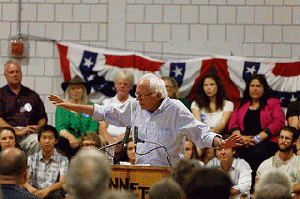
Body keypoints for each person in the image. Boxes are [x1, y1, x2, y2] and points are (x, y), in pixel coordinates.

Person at [49, 73, 242, 167]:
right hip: (140, 172)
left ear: (158, 95)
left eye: (142, 95)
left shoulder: (175, 109)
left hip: (168, 175)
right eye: (137, 94)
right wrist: (69, 105)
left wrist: (221, 142)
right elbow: (103, 111)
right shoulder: (134, 106)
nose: (137, 99)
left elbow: (199, 131)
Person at [228, 74, 285, 191]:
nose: (255, 89)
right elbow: (233, 124)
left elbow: (278, 123)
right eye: (252, 86)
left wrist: (256, 139)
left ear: (264, 88)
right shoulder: (242, 105)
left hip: (265, 141)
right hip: (243, 141)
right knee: (234, 152)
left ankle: (255, 190)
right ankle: (238, 189)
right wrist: (241, 138)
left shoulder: (273, 103)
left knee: (256, 153)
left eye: (258, 86)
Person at [0, 59, 47, 156]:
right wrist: (15, 131)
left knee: (37, 141)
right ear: (5, 75)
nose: (15, 74)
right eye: (11, 72)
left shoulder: (32, 95)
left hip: (29, 134)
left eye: (17, 72)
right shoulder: (1, 94)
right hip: (6, 133)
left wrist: (38, 128)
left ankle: (29, 168)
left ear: (21, 74)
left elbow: (42, 117)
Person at [55, 75, 99, 156]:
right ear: (69, 91)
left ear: (83, 91)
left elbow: (93, 128)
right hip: (68, 141)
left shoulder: (91, 106)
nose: (76, 91)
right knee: (61, 141)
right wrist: (71, 138)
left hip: (87, 140)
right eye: (73, 88)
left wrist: (80, 141)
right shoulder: (61, 106)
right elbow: (60, 128)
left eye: (78, 88)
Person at [24, 125, 69, 199]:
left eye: (50, 138)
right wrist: (30, 188)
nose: (47, 141)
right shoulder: (31, 158)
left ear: (56, 140)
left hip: (53, 195)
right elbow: (25, 180)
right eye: (44, 138)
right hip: (34, 194)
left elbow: (62, 182)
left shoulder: (63, 160)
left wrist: (47, 190)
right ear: (39, 140)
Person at [255, 126, 300, 197]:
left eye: (287, 138)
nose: (283, 140)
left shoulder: (298, 162)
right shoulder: (266, 164)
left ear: (294, 142)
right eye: (281, 137)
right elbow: (258, 186)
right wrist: (292, 189)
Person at [99, 70, 135, 143]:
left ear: (131, 86)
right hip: (109, 139)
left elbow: (137, 126)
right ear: (115, 85)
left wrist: (123, 138)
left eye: (125, 84)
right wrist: (112, 143)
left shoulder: (135, 104)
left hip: (128, 140)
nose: (122, 86)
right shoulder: (106, 103)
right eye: (119, 83)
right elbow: (102, 128)